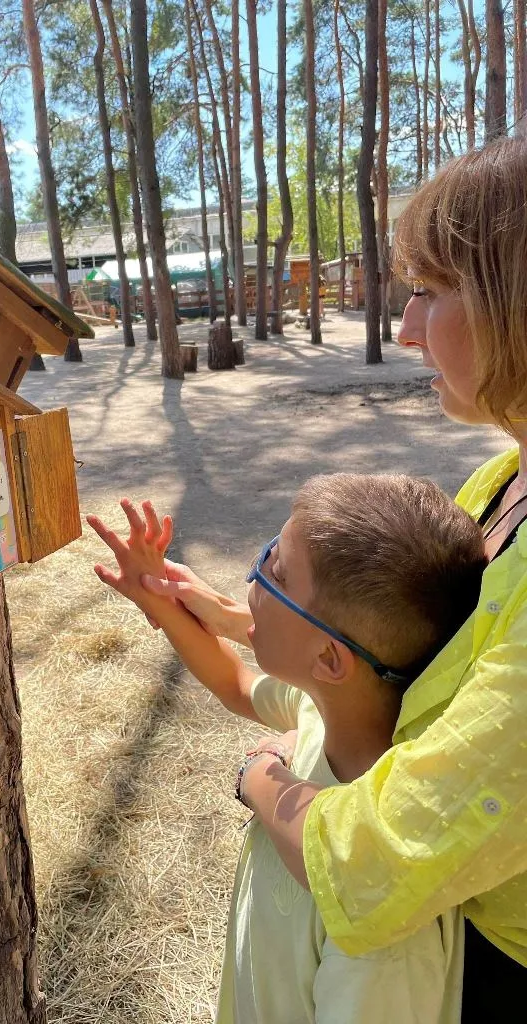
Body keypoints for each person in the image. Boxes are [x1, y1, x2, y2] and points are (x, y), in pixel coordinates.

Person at [137, 136, 527, 1017]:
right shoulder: (500, 483)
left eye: (431, 290)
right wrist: (219, 612)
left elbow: (375, 859)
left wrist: (258, 779)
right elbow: (392, 638)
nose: (404, 328)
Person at [87, 472, 487, 1023]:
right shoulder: (323, 713)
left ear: (328, 660)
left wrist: (259, 770)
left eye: (276, 571)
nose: (252, 580)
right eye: (270, 550)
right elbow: (240, 687)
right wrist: (162, 600)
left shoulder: (385, 927)